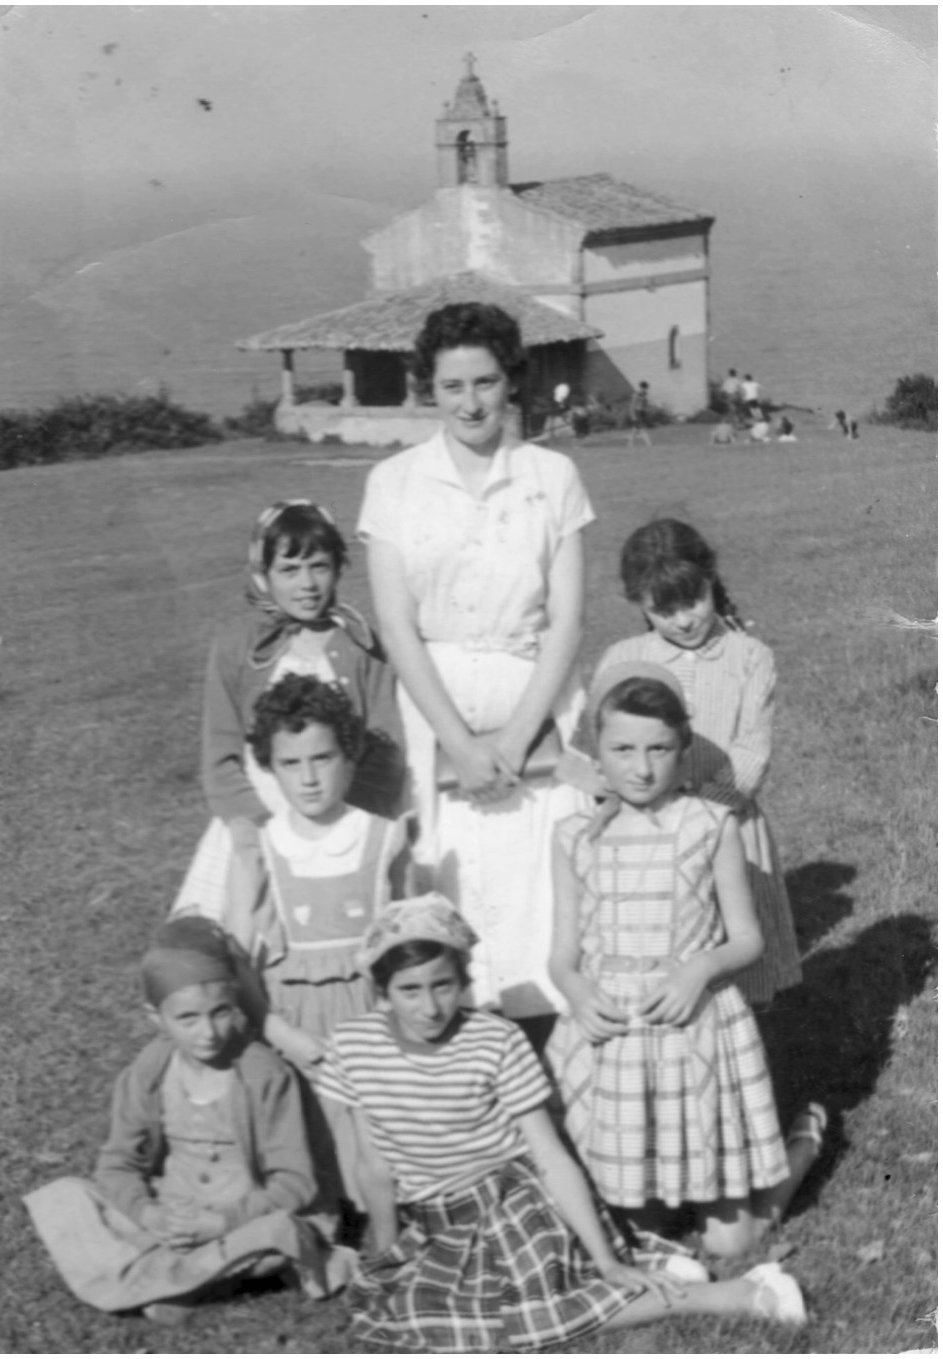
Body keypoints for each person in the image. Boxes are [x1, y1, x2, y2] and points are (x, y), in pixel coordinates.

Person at [318, 895, 810, 1352]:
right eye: (409, 990)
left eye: (442, 985)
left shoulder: (494, 1039)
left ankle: (744, 1293)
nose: (429, 1007)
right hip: (435, 1221)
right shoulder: (354, 1046)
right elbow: (374, 1165)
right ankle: (654, 1265)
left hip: (508, 1207)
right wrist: (389, 1253)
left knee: (521, 1317)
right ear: (380, 990)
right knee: (409, 1315)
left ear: (464, 978)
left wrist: (606, 1261)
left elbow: (549, 1156)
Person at [357, 302, 592, 1030]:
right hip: (437, 715)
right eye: (452, 385)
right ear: (428, 387)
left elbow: (567, 620)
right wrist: (458, 744)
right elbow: (396, 626)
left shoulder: (552, 475)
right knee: (451, 896)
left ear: (510, 381)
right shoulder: (393, 482)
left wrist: (518, 740)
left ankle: (555, 1055)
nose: (470, 403)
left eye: (485, 382)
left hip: (536, 706)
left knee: (546, 901)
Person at [548, 666, 826, 1258]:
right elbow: (562, 955)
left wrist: (697, 970)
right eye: (622, 749)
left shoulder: (709, 824)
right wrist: (575, 989)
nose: (641, 768)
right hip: (617, 1038)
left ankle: (801, 1146)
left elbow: (747, 940)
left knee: (730, 1243)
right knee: (638, 1231)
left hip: (691, 1025)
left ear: (683, 748)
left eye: (659, 749)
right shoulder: (574, 835)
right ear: (596, 750)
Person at [23, 918, 352, 1322]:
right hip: (174, 1208)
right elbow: (117, 1163)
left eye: (220, 1013)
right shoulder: (149, 1071)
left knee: (278, 1233)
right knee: (62, 1198)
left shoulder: (266, 1075)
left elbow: (296, 1182)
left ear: (236, 1004)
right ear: (156, 1017)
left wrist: (221, 1222)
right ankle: (196, 1276)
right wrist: (149, 1214)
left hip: (244, 1214)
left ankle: (171, 1279)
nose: (208, 1033)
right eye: (188, 1019)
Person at [587, 519, 802, 1006]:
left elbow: (751, 751)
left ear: (711, 580)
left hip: (726, 826)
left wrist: (701, 813)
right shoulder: (622, 658)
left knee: (735, 954)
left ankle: (741, 1035)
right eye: (664, 611)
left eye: (693, 601)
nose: (683, 621)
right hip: (642, 832)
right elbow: (601, 742)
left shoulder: (749, 656)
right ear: (639, 603)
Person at [172, 501, 405, 925]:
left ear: (338, 567)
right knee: (236, 934)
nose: (308, 585)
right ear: (263, 575)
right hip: (257, 819)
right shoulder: (237, 647)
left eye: (319, 567)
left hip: (339, 820)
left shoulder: (361, 647)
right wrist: (259, 831)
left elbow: (385, 751)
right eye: (289, 570)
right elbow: (220, 759)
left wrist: (348, 827)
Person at [241, 673, 415, 1067]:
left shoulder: (384, 839)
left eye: (322, 758)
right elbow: (236, 960)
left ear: (349, 757)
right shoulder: (260, 848)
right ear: (270, 767)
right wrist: (282, 1034)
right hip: (296, 1030)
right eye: (290, 763)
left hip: (380, 1029)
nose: (308, 779)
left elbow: (413, 946)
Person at [627, 380, 652, 447]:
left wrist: (646, 411)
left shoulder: (645, 394)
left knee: (635, 429)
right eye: (644, 388)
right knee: (642, 428)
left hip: (642, 412)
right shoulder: (636, 394)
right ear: (641, 387)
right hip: (637, 412)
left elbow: (645, 404)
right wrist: (633, 416)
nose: (645, 390)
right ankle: (649, 444)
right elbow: (632, 406)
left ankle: (630, 443)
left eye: (646, 388)